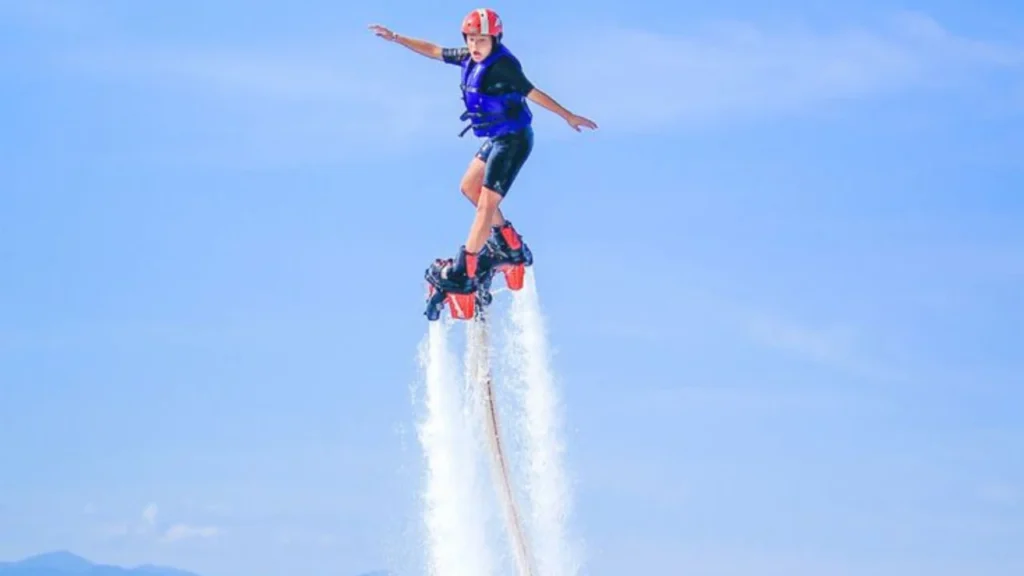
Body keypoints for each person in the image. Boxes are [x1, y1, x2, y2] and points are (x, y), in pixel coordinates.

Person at [369, 8, 598, 295]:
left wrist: (568, 115)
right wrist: (397, 38)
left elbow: (534, 93)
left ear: (495, 39)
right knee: (468, 187)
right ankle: (508, 242)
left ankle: (465, 269)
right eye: (471, 40)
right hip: (497, 137)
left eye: (481, 40)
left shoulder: (503, 67)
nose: (475, 46)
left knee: (485, 206)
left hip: (513, 141)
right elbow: (434, 50)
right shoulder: (468, 57)